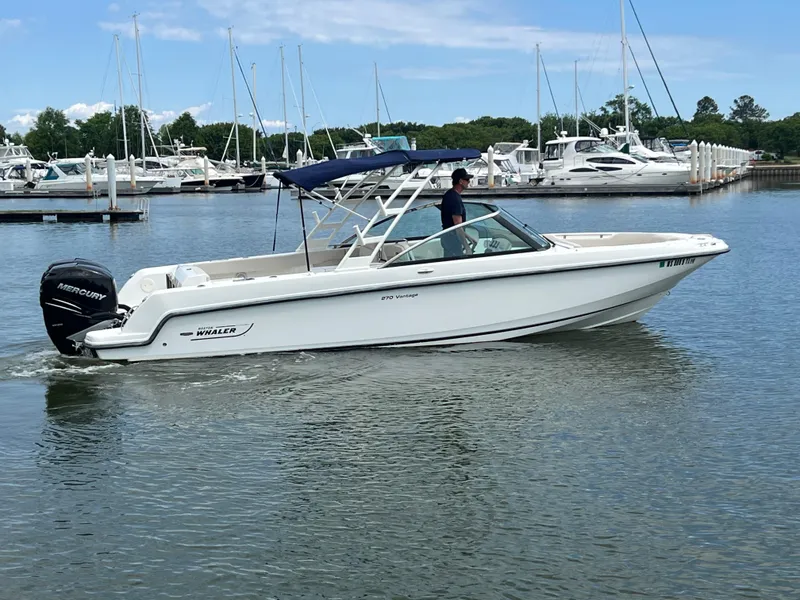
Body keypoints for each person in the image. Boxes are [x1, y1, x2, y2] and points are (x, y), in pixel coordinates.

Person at [440, 167, 476, 258]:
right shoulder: (455, 199)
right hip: (453, 240)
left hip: (447, 237)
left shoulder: (449, 194)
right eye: (467, 180)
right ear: (460, 181)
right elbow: (458, 226)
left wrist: (469, 237)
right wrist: (467, 247)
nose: (469, 182)